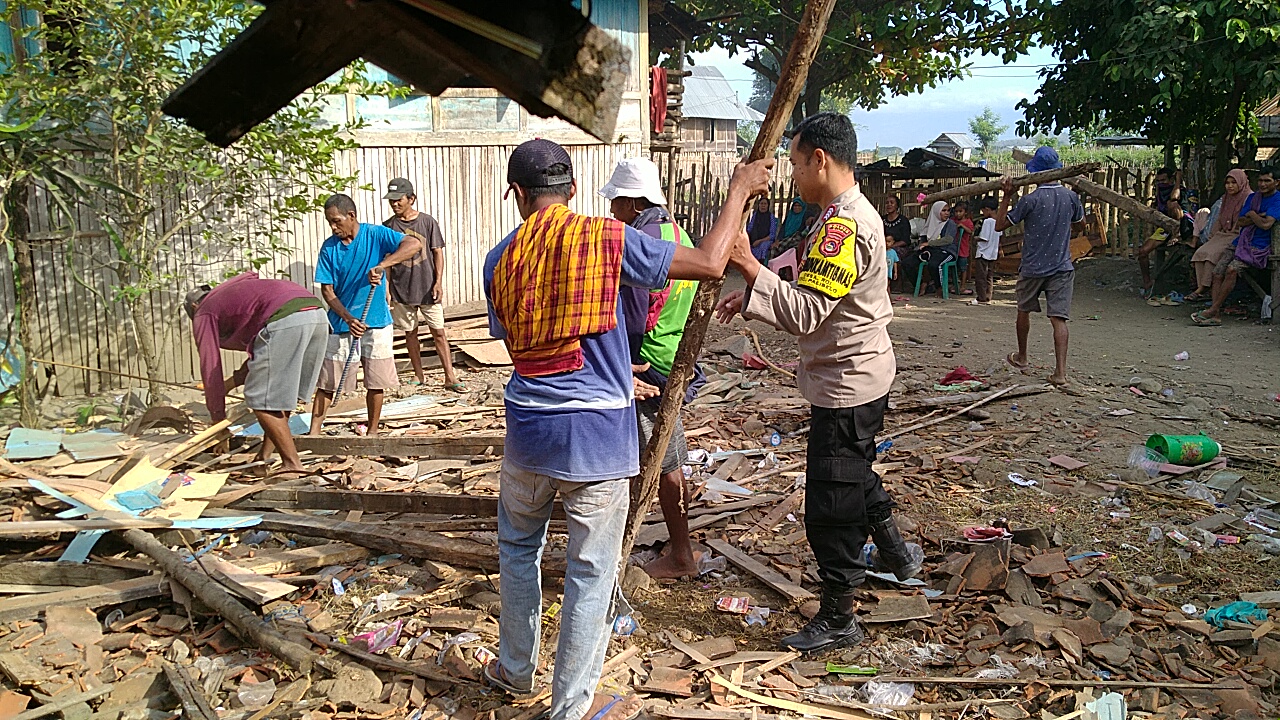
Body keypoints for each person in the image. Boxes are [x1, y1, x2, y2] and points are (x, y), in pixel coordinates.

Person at [482, 138, 772, 720]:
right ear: (571, 188)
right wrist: (738, 190)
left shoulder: (500, 258)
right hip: (596, 439)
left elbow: (521, 341)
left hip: (527, 433)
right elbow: (710, 264)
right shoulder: (605, 238)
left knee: (517, 550)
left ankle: (514, 669)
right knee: (590, 572)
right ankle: (569, 708)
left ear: (517, 193)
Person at [714, 112, 920, 654]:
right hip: (857, 373)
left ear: (821, 161)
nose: (794, 174)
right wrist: (756, 296)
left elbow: (807, 313)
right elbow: (813, 292)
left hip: (847, 381)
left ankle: (839, 615)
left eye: (798, 163)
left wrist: (749, 269)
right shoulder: (842, 215)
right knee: (853, 470)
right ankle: (898, 554)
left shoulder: (841, 227)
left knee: (831, 501)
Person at [597, 157, 704, 580]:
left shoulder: (639, 240)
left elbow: (638, 310)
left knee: (662, 458)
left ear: (633, 203)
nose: (611, 211)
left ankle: (681, 555)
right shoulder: (679, 233)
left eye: (617, 202)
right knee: (659, 455)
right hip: (676, 353)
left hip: (649, 362)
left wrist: (625, 364)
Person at [185, 273, 327, 474]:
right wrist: (230, 384)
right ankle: (263, 459)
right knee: (279, 397)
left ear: (193, 308)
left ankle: (292, 465)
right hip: (316, 313)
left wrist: (218, 422)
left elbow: (210, 369)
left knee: (261, 399)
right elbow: (258, 357)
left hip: (286, 317)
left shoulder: (204, 312)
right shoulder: (234, 298)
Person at [310, 194, 422, 436]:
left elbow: (414, 245)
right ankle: (314, 432)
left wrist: (384, 264)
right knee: (328, 381)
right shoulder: (330, 248)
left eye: (337, 221)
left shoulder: (376, 234)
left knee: (376, 381)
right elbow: (327, 292)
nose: (333, 227)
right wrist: (349, 319)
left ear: (351, 216)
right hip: (342, 323)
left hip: (378, 320)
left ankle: (372, 432)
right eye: (329, 222)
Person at [995, 146, 1084, 387]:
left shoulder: (1030, 200)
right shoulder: (1070, 198)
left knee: (1023, 311)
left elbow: (1000, 225)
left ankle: (1022, 357)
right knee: (1059, 320)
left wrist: (1006, 196)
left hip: (1033, 265)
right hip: (1062, 266)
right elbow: (1080, 227)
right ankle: (1061, 373)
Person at [382, 178, 464, 392]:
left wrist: (438, 282)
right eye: (391, 201)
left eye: (398, 200)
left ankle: (450, 376)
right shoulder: (388, 226)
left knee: (438, 332)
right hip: (401, 289)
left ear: (411, 199)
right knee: (410, 332)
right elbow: (388, 261)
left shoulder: (427, 222)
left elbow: (438, 253)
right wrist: (388, 289)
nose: (394, 204)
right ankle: (419, 375)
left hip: (428, 288)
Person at [1193, 167, 1279, 326]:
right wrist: (1258, 216)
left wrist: (1252, 215)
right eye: (1260, 180)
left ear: (1277, 183)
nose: (1262, 184)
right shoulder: (1253, 198)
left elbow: (1266, 225)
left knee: (1232, 270)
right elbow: (1240, 222)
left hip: (1260, 247)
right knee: (1218, 271)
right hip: (1241, 242)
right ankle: (1215, 314)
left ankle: (1213, 310)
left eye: (1267, 181)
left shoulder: (1277, 200)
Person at [1188, 169, 1251, 301]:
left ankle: (1202, 288)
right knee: (1200, 253)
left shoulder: (1249, 197)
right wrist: (1213, 235)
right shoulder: (1226, 198)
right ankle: (1202, 286)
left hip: (1238, 236)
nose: (1230, 186)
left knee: (1212, 256)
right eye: (1227, 183)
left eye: (1234, 182)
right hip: (1223, 234)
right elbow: (1219, 219)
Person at [1137, 167, 1183, 292]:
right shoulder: (1160, 192)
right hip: (1164, 229)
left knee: (1172, 204)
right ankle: (1147, 282)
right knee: (1142, 251)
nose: (1161, 183)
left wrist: (1177, 181)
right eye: (1158, 181)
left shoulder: (1179, 191)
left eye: (1164, 180)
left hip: (1181, 227)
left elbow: (1174, 199)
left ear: (1171, 179)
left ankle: (1176, 235)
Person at [973, 197, 1001, 304]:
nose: (983, 213)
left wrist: (976, 238)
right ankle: (989, 295)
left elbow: (984, 237)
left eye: (983, 211)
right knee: (989, 276)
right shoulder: (998, 221)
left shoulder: (987, 222)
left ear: (987, 209)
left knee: (981, 277)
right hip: (992, 252)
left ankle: (981, 297)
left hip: (983, 252)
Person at [953, 202, 976, 295]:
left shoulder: (968, 222)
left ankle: (962, 285)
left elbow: (970, 231)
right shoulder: (953, 220)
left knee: (963, 268)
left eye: (960, 211)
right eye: (956, 211)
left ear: (965, 212)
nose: (958, 214)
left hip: (963, 248)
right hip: (954, 248)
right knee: (954, 267)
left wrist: (962, 226)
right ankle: (955, 284)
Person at [747, 197, 778, 262]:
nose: (763, 206)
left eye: (765, 204)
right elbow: (750, 228)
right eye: (761, 203)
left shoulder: (770, 217)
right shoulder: (755, 215)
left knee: (763, 246)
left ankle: (761, 262)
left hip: (766, 240)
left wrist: (759, 241)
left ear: (768, 205)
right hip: (754, 240)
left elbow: (772, 234)